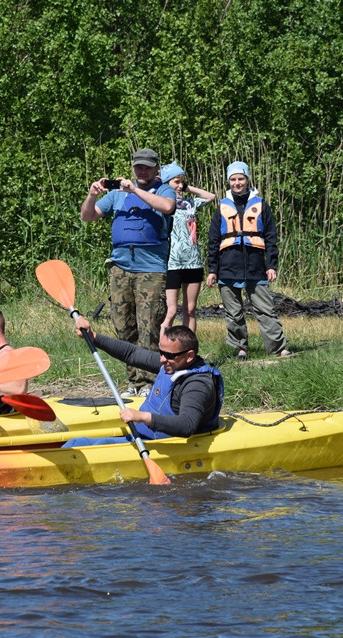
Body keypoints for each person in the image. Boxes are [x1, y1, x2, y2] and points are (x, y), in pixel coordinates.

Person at [81, 148, 176, 397]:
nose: (141, 170)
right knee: (124, 327)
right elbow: (87, 216)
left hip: (151, 270)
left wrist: (135, 190)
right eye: (138, 167)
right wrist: (92, 195)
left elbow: (167, 207)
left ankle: (150, 382)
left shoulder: (164, 189)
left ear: (157, 168)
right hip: (120, 269)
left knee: (149, 327)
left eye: (146, 167)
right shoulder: (117, 195)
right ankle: (134, 381)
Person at [63, 316, 223, 446]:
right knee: (76, 442)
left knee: (83, 445)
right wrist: (94, 337)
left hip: (161, 444)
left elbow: (187, 425)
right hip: (144, 436)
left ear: (189, 356)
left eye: (168, 355)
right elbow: (132, 354)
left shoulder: (197, 385)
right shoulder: (173, 364)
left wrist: (143, 417)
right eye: (161, 352)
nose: (161, 359)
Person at [205, 161, 291, 359]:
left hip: (256, 266)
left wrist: (271, 265)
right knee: (234, 313)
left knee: (265, 310)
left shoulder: (261, 205)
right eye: (233, 179)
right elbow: (213, 241)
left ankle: (278, 348)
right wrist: (212, 269)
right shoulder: (222, 207)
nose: (237, 183)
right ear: (229, 182)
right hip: (227, 267)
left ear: (247, 179)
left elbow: (271, 237)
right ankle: (240, 348)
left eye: (241, 179)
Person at [160, 162, 216, 335]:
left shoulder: (189, 203)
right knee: (170, 312)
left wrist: (186, 187)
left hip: (193, 262)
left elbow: (211, 196)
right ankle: (161, 351)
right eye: (176, 181)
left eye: (181, 182)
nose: (179, 186)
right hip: (172, 263)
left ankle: (188, 348)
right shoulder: (163, 204)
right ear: (166, 182)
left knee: (190, 310)